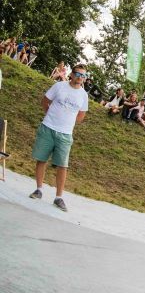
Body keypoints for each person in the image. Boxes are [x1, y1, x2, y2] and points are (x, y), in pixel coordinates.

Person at [28, 63, 89, 212]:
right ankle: (39, 189)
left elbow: (81, 115)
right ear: (72, 74)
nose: (81, 77)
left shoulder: (83, 95)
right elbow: (45, 101)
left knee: (63, 165)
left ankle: (58, 197)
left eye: (83, 75)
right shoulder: (59, 86)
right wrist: (51, 116)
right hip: (48, 127)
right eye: (78, 74)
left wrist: (67, 123)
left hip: (65, 134)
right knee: (41, 159)